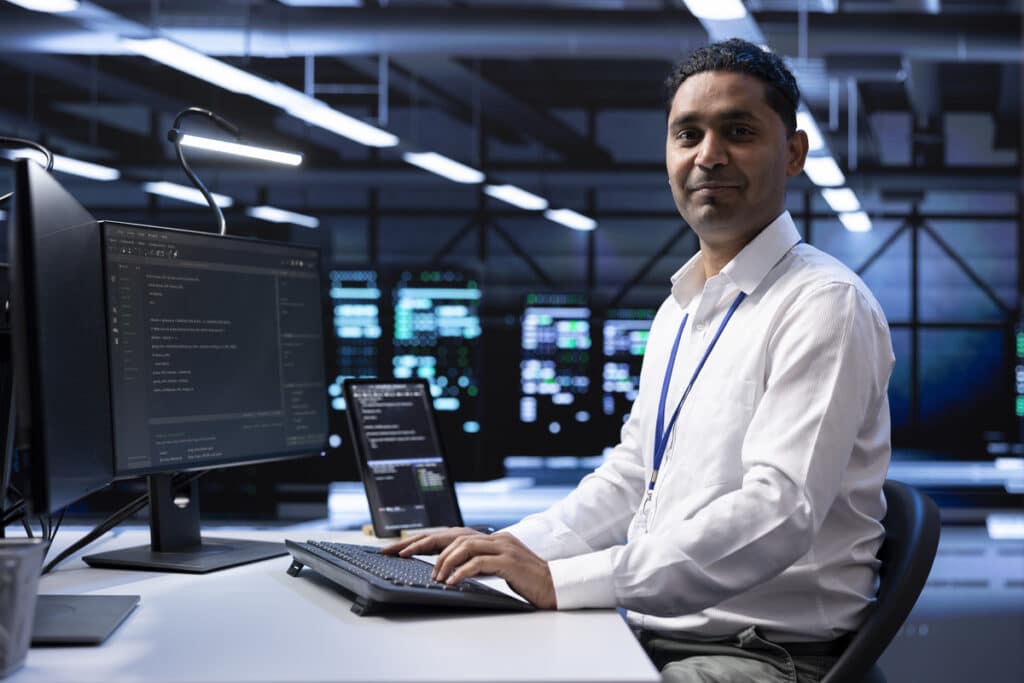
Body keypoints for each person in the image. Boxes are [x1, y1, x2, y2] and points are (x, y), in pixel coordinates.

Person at [384, 37, 894, 683]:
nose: (709, 156)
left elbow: (778, 511)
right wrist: (511, 547)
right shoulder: (681, 307)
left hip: (760, 652)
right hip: (654, 628)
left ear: (792, 152)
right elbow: (632, 477)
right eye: (688, 134)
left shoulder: (824, 303)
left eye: (738, 131)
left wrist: (562, 581)